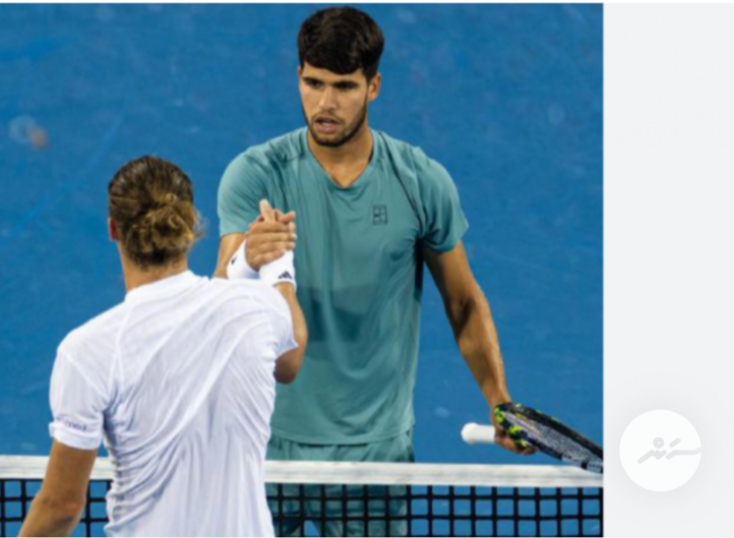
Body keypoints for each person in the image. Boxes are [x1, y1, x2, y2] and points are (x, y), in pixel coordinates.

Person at [214, 7, 535, 536]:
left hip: (374, 457)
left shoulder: (420, 181)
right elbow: (222, 301)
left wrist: (500, 403)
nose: (325, 103)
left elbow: (463, 302)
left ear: (374, 86)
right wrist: (246, 260)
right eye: (313, 83)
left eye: (344, 86)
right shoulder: (255, 174)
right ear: (298, 77)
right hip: (263, 443)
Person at [19, 155, 308, 538]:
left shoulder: (87, 350)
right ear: (190, 224)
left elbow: (62, 507)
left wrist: (243, 266)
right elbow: (290, 358)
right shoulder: (256, 310)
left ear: (113, 229)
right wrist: (277, 266)